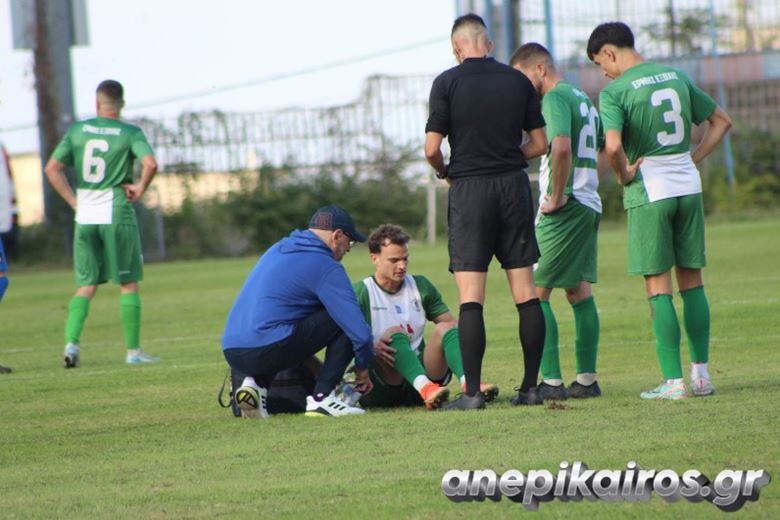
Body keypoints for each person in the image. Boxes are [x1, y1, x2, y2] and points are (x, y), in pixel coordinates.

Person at [587, 22, 732, 400]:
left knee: (658, 285)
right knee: (693, 281)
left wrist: (623, 174)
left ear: (609, 52)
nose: (603, 73)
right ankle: (702, 376)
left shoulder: (615, 91)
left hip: (651, 190)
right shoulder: (676, 76)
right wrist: (693, 158)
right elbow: (722, 121)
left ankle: (673, 382)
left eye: (600, 63)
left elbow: (613, 147)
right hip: (688, 187)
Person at [425, 14, 548, 410]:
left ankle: (473, 393)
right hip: (513, 187)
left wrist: (446, 171)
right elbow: (540, 144)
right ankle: (530, 388)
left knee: (471, 298)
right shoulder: (518, 81)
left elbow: (431, 149)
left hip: (470, 191)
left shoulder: (446, 83)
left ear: (457, 48)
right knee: (526, 292)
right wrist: (509, 157)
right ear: (489, 44)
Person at [221, 205, 385, 418]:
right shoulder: (326, 265)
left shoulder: (277, 249)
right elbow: (359, 333)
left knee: (283, 324)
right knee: (343, 319)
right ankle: (322, 398)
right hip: (267, 349)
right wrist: (362, 368)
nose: (348, 249)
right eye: (350, 242)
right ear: (337, 236)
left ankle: (255, 385)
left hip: (232, 351)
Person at [510, 43, 604, 400]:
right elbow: (595, 148)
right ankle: (587, 380)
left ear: (539, 69)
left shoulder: (554, 98)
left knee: (535, 290)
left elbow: (561, 147)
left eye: (522, 78)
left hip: (567, 206)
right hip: (588, 201)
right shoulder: (582, 97)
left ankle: (550, 382)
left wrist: (559, 194)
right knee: (578, 290)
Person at [44, 80, 160, 368]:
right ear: (121, 104)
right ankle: (133, 351)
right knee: (128, 282)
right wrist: (140, 187)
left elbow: (52, 168)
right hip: (115, 209)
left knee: (86, 284)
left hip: (85, 211)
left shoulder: (77, 130)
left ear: (97, 104)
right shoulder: (130, 132)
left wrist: (73, 201)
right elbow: (150, 163)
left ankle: (71, 345)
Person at [353, 224, 499, 411]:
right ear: (374, 258)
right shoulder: (361, 291)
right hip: (381, 385)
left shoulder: (420, 286)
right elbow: (343, 337)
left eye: (405, 259)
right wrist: (371, 345)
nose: (402, 266)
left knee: (447, 327)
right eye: (394, 260)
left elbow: (453, 327)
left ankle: (470, 385)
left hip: (426, 382)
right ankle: (425, 387)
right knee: (394, 333)